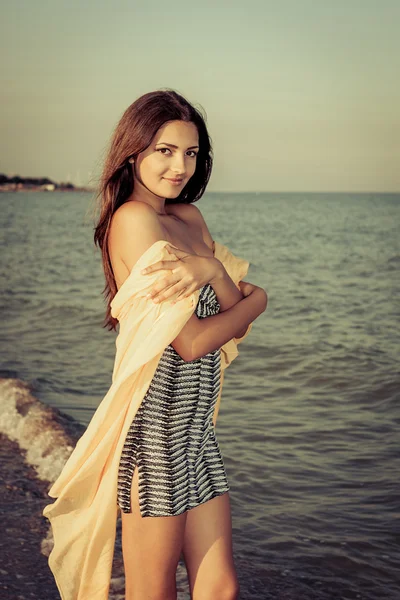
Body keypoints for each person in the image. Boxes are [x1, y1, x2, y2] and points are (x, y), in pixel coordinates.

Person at [81, 88, 266, 600]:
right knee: (152, 591)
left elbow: (234, 316)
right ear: (133, 151)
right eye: (164, 150)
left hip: (197, 431)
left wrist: (212, 270)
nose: (179, 166)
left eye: (190, 152)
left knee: (220, 588)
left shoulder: (187, 219)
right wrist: (260, 299)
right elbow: (190, 342)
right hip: (154, 434)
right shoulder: (131, 221)